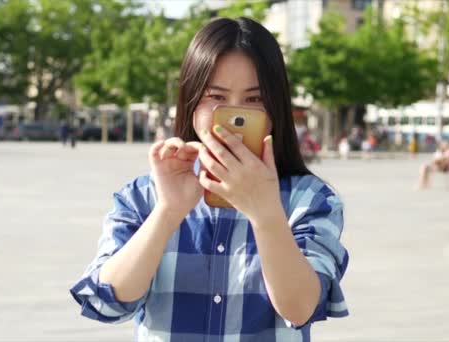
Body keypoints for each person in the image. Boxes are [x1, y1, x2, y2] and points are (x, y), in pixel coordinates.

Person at [70, 17, 349, 341]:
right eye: (216, 97)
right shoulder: (145, 195)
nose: (233, 115)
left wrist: (266, 214)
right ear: (190, 102)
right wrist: (168, 211)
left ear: (276, 106)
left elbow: (300, 308)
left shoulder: (310, 199)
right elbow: (109, 302)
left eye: (254, 100)